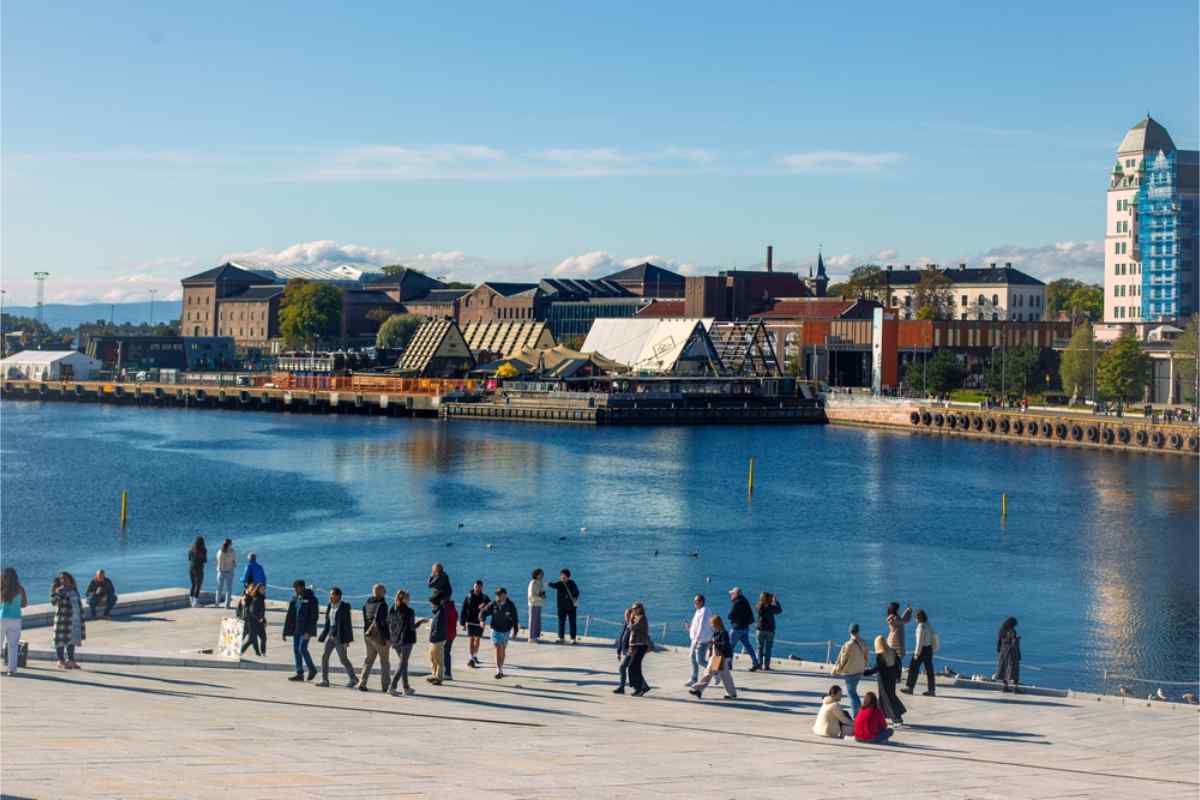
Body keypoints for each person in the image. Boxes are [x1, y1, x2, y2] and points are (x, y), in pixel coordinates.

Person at [316, 587, 357, 688]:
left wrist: (347, 640)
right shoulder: (330, 606)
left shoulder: (345, 607)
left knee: (343, 659)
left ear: (338, 596)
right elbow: (328, 622)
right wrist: (323, 635)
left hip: (340, 637)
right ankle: (325, 680)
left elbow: (347, 624)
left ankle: (353, 678)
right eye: (330, 594)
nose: (330, 597)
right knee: (324, 656)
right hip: (331, 635)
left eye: (332, 595)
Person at [689, 615, 736, 699]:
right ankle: (732, 693)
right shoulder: (717, 632)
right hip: (718, 656)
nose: (711, 625)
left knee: (710, 673)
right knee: (724, 675)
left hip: (720, 656)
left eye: (712, 624)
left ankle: (698, 689)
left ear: (716, 624)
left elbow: (724, 645)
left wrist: (714, 643)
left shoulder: (723, 633)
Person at [864, 635, 906, 724]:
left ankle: (897, 719)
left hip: (883, 680)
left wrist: (863, 673)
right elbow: (898, 665)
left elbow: (876, 669)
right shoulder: (892, 651)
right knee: (886, 698)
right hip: (892, 677)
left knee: (887, 698)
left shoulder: (880, 656)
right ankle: (878, 718)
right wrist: (898, 676)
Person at [480, 587, 519, 679]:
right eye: (497, 595)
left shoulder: (510, 605)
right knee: (498, 648)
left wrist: (515, 632)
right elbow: (483, 613)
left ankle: (501, 667)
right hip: (495, 630)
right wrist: (482, 620)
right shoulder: (493, 604)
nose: (498, 597)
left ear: (505, 595)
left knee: (503, 649)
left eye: (500, 595)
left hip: (506, 630)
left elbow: (515, 619)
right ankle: (498, 670)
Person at [282, 579, 318, 682]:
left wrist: (309, 632)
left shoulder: (312, 599)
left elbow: (314, 617)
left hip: (306, 630)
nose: (295, 590)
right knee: (296, 650)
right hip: (296, 629)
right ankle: (299, 673)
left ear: (302, 587)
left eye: (296, 588)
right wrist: (285, 632)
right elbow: (289, 616)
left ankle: (312, 669)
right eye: (294, 588)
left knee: (302, 648)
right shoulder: (294, 598)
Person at [387, 590, 421, 696]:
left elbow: (389, 623)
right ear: (405, 599)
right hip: (406, 640)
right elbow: (411, 627)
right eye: (408, 597)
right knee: (402, 664)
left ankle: (406, 688)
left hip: (395, 640)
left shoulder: (392, 609)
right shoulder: (409, 611)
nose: (409, 599)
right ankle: (392, 686)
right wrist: (420, 622)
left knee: (404, 663)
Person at [359, 583, 392, 692]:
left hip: (368, 635)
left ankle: (362, 682)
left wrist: (366, 632)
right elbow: (380, 622)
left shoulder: (367, 603)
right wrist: (386, 638)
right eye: (384, 591)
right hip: (379, 636)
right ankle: (386, 686)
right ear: (382, 593)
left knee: (369, 660)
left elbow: (365, 619)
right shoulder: (382, 604)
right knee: (385, 662)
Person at [832, 623, 870, 716]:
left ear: (849, 631)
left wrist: (837, 670)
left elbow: (842, 660)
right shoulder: (863, 642)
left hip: (850, 671)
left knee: (851, 693)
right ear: (858, 631)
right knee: (853, 691)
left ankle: (857, 715)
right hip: (860, 670)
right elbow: (866, 656)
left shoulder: (848, 645)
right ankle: (859, 713)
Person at [50, 571, 85, 670]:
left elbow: (78, 603)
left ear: (70, 579)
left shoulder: (74, 589)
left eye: (65, 578)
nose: (63, 580)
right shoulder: (60, 591)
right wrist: (56, 592)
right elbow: (53, 602)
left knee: (72, 641)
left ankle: (71, 661)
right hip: (63, 620)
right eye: (61, 579)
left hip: (75, 619)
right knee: (60, 641)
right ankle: (61, 661)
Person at [903, 609, 936, 697]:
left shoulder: (920, 626)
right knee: (929, 671)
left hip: (922, 650)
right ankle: (931, 690)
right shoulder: (928, 625)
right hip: (929, 649)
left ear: (918, 618)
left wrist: (916, 654)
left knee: (913, 668)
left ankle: (910, 688)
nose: (915, 619)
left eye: (915, 617)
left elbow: (919, 641)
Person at [2, 567, 29, 676]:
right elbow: (24, 604)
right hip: (15, 619)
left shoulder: (1, 588)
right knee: (13, 646)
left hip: (1, 618)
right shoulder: (20, 589)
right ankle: (11, 670)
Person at [726, 587, 759, 671]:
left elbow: (730, 615)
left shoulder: (736, 603)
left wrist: (733, 618)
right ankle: (755, 662)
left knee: (730, 647)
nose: (731, 595)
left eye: (732, 594)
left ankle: (729, 664)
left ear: (736, 594)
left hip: (736, 628)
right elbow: (750, 614)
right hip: (745, 628)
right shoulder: (745, 601)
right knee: (748, 646)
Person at [685, 594, 713, 687]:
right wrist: (690, 628)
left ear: (701, 602)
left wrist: (697, 639)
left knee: (700, 660)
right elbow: (697, 625)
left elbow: (701, 626)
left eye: (696, 601)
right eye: (694, 601)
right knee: (692, 658)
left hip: (701, 640)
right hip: (696, 639)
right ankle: (694, 678)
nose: (694, 603)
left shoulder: (704, 611)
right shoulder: (699, 611)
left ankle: (716, 672)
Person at [461, 580, 489, 668]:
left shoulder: (485, 597)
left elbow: (491, 605)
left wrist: (484, 604)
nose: (477, 588)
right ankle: (471, 658)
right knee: (471, 639)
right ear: (474, 587)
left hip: (480, 621)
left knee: (477, 639)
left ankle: (475, 655)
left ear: (482, 588)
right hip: (470, 621)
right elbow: (464, 609)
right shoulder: (468, 597)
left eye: (479, 587)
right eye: (476, 587)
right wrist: (463, 622)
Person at [547, 569, 580, 644]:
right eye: (561, 575)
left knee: (572, 623)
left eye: (563, 576)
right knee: (561, 622)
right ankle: (561, 637)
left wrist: (574, 596)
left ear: (568, 576)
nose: (562, 577)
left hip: (571, 607)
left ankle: (573, 638)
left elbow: (577, 592)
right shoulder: (560, 583)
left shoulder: (572, 583)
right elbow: (553, 585)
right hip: (561, 607)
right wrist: (548, 583)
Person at [626, 602, 651, 696]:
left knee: (633, 666)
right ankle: (640, 688)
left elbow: (632, 627)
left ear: (640, 608)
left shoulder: (642, 618)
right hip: (635, 645)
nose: (634, 610)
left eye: (636, 608)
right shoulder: (635, 618)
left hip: (641, 645)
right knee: (635, 667)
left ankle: (640, 687)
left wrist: (629, 620)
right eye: (633, 608)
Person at [755, 591, 782, 671]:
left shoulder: (759, 606)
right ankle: (766, 666)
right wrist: (775, 601)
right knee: (768, 648)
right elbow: (779, 610)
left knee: (759, 648)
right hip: (770, 630)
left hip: (760, 629)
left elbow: (760, 605)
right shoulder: (771, 607)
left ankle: (759, 664)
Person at [238, 583, 267, 656]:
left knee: (260, 638)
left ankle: (261, 653)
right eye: (262, 589)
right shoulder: (255, 599)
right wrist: (259, 619)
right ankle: (241, 651)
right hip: (251, 621)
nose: (264, 590)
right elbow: (251, 610)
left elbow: (261, 611)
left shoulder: (260, 598)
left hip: (255, 621)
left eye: (264, 589)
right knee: (251, 639)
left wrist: (263, 619)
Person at [426, 594, 448, 686]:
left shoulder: (440, 612)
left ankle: (439, 677)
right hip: (435, 639)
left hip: (438, 639)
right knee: (432, 657)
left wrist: (433, 636)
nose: (431, 605)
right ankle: (434, 675)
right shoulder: (438, 611)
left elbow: (439, 627)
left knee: (439, 659)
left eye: (431, 603)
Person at [997, 617, 1021, 693]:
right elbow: (1013, 642)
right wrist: (1017, 639)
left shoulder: (1001, 630)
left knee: (1004, 668)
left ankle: (1005, 686)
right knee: (1014, 669)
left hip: (1003, 651)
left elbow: (999, 641)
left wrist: (999, 650)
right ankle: (1016, 688)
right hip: (1011, 652)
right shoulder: (1012, 631)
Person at [613, 606, 634, 694]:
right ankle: (622, 688)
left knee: (623, 668)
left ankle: (622, 687)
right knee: (632, 669)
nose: (625, 616)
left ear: (631, 615)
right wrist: (618, 651)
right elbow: (621, 637)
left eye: (627, 614)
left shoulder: (633, 625)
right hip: (626, 651)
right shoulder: (626, 624)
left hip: (631, 651)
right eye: (625, 614)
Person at [214, 539, 237, 609]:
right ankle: (227, 605)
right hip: (229, 571)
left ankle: (217, 603)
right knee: (229, 589)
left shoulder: (219, 551)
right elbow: (234, 562)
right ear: (230, 544)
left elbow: (217, 560)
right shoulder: (232, 551)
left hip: (220, 571)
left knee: (219, 588)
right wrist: (233, 565)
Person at [442, 593, 458, 681]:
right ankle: (446, 672)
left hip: (446, 634)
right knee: (446, 652)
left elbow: (444, 622)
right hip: (452, 633)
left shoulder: (445, 608)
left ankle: (446, 672)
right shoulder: (452, 607)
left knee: (445, 653)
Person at [527, 569, 546, 643]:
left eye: (542, 574)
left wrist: (543, 595)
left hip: (539, 603)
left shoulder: (540, 582)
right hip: (533, 604)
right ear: (536, 574)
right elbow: (531, 595)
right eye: (540, 574)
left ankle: (535, 636)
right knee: (532, 621)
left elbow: (542, 592)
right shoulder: (533, 582)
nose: (542, 576)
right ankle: (531, 637)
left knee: (537, 621)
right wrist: (540, 597)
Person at [188, 536, 207, 607]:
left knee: (193, 585)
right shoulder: (203, 550)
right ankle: (195, 603)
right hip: (199, 569)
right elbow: (205, 560)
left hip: (191, 568)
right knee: (198, 585)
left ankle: (191, 602)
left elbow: (189, 558)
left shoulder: (191, 549)